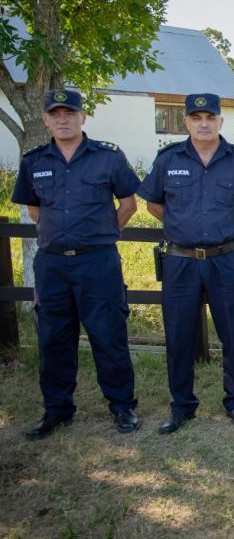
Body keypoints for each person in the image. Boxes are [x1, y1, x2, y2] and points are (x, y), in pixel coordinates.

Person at [12, 89, 141, 439]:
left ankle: (122, 407)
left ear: (83, 116)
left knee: (108, 335)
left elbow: (128, 204)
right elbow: (35, 210)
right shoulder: (34, 161)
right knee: (53, 338)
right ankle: (57, 410)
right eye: (55, 113)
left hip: (97, 264)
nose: (63, 119)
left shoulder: (108, 157)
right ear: (45, 119)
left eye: (69, 112)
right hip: (52, 265)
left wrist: (101, 234)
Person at [138, 93, 234, 434]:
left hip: (226, 260)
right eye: (196, 118)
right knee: (179, 335)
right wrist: (182, 226)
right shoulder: (168, 159)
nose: (204, 123)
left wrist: (228, 224)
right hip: (180, 261)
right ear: (186, 122)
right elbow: (153, 203)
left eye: (210, 117)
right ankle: (182, 406)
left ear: (220, 121)